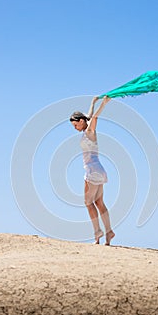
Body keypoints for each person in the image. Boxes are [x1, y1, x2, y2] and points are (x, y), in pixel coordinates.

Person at [70, 96, 115, 246]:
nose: (75, 128)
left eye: (75, 125)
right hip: (99, 170)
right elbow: (89, 115)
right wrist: (93, 102)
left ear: (81, 122)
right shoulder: (86, 126)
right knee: (99, 202)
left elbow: (94, 117)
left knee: (88, 203)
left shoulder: (89, 130)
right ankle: (108, 232)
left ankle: (98, 232)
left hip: (92, 170)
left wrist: (104, 103)